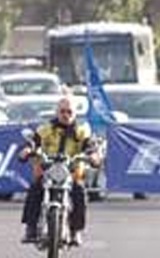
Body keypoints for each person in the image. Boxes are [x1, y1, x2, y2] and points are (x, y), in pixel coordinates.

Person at [19, 96, 100, 246]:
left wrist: (93, 156)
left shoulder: (81, 131)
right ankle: (30, 227)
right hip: (48, 170)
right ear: (57, 112)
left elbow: (91, 146)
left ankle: (76, 231)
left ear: (75, 113)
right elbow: (32, 142)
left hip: (70, 171)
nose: (66, 115)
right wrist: (27, 150)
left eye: (69, 112)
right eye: (63, 111)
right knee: (35, 189)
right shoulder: (46, 129)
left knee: (79, 192)